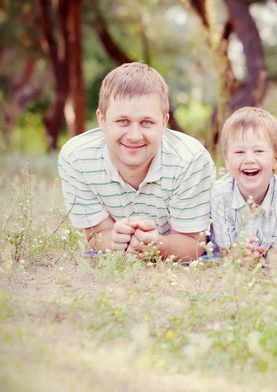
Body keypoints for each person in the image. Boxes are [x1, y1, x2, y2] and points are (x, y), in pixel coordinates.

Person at [58, 62, 216, 261]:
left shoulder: (191, 161)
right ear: (102, 120)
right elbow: (98, 236)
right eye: (122, 121)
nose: (134, 136)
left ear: (164, 122)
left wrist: (157, 245)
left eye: (147, 122)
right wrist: (115, 240)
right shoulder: (76, 159)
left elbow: (193, 245)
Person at [210, 107, 277, 264]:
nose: (249, 159)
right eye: (239, 152)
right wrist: (238, 255)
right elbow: (225, 251)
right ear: (226, 160)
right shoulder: (220, 195)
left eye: (259, 151)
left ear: (276, 158)